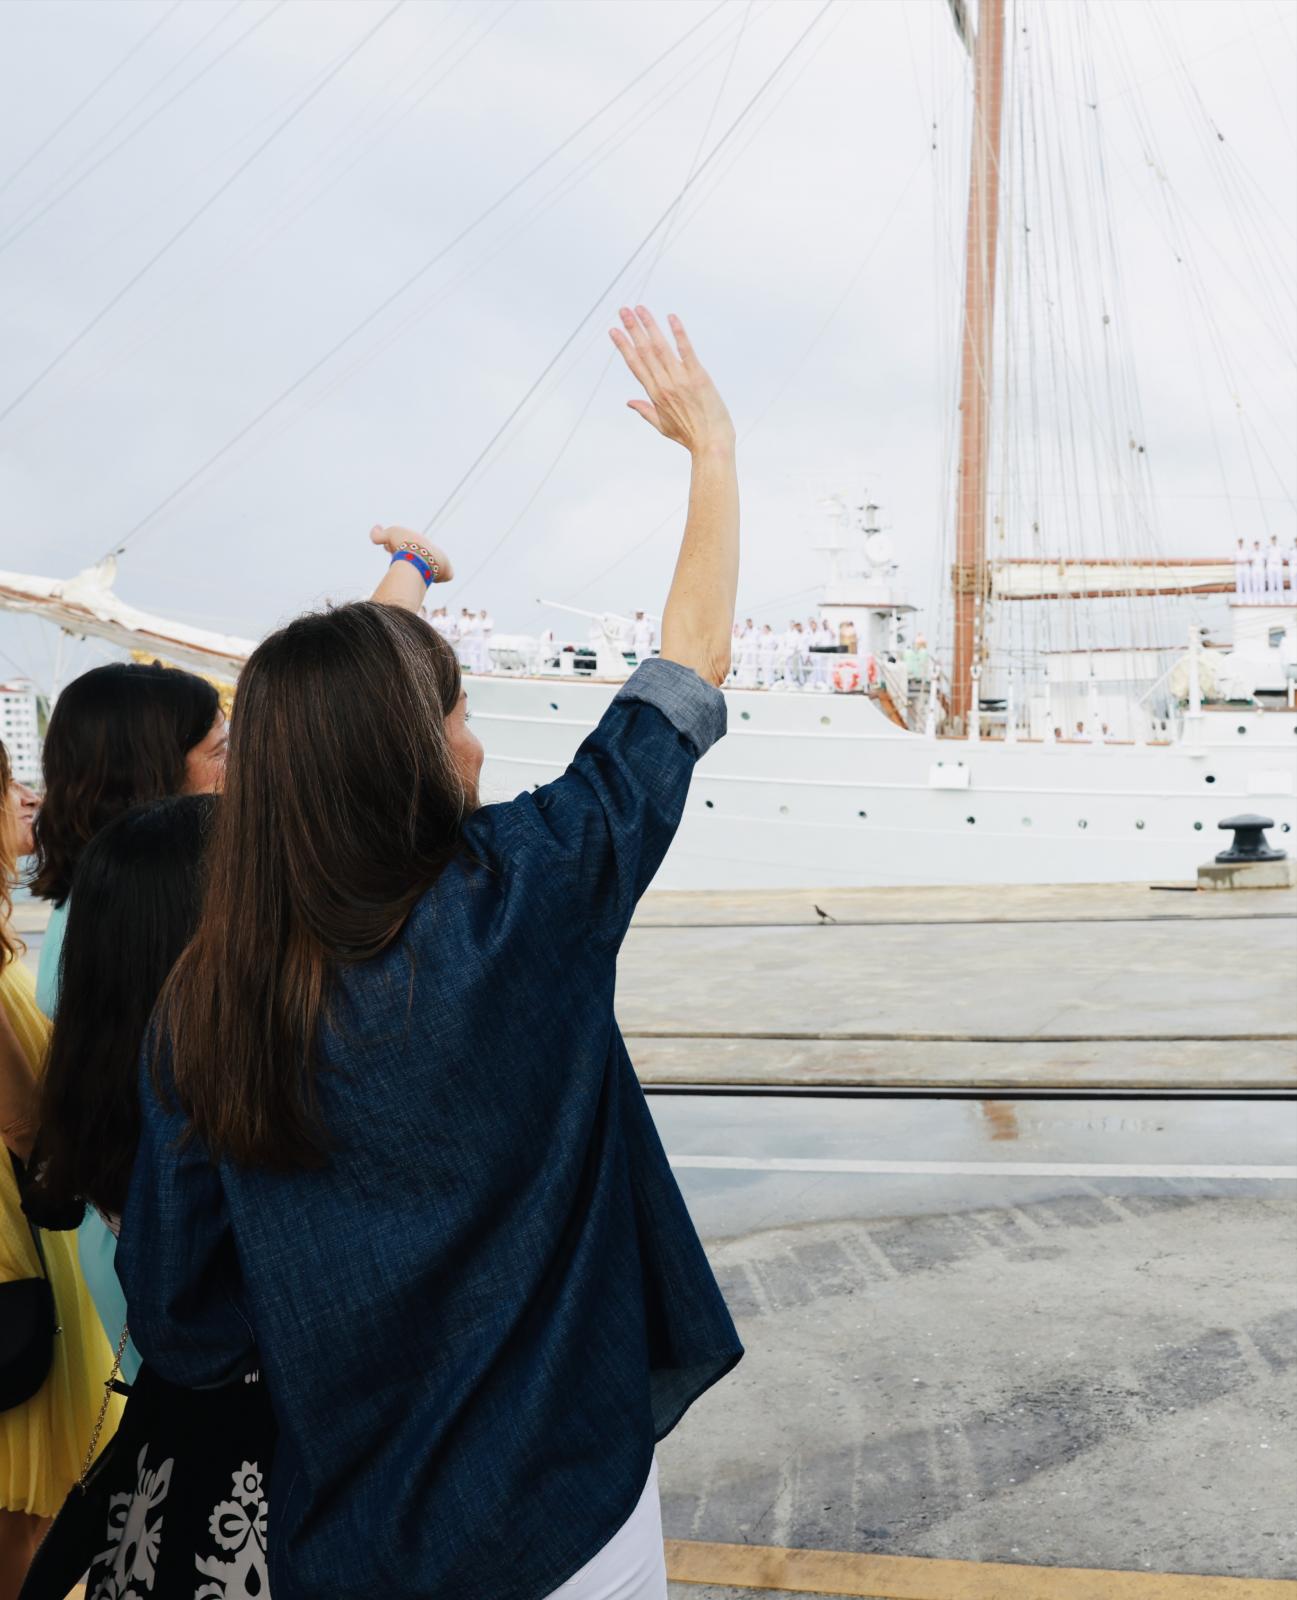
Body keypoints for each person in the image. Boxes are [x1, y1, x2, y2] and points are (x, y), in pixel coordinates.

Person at [118, 307, 743, 1600]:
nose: (474, 740)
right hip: (567, 1522)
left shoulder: (207, 1001)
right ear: (413, 748)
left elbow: (182, 1318)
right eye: (457, 711)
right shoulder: (530, 893)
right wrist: (714, 452)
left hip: (349, 1539)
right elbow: (684, 669)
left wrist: (403, 576)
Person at [0, 742, 121, 1600]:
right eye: (8, 783)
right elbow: (23, 1122)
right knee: (22, 1517)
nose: (25, 799)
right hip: (17, 1248)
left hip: (22, 1241)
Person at [31, 661, 225, 1019]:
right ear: (156, 774)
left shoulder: (84, 909)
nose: (238, 768)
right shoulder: (158, 925)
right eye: (219, 752)